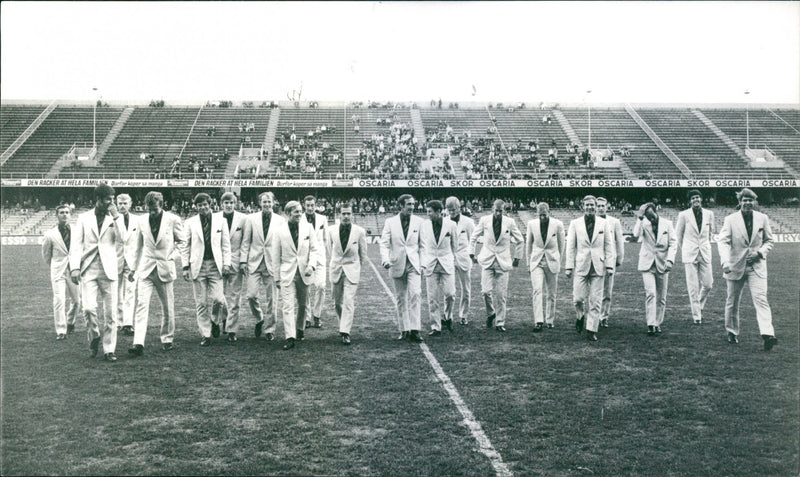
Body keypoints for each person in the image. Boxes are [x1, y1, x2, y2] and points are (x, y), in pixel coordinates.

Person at [717, 188, 777, 350]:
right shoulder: (730, 220)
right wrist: (725, 262)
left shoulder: (762, 218)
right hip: (735, 266)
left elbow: (769, 241)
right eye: (745, 200)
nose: (748, 203)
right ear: (740, 201)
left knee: (761, 299)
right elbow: (723, 242)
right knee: (732, 302)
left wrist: (760, 253)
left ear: (755, 202)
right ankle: (731, 331)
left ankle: (767, 334)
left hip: (756, 267)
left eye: (751, 200)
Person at [69, 183, 123, 361]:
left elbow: (124, 239)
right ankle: (94, 337)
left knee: (111, 314)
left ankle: (109, 349)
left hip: (109, 269)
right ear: (98, 199)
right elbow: (76, 244)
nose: (112, 202)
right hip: (88, 268)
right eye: (108, 199)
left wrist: (116, 217)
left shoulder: (116, 217)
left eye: (113, 199)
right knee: (88, 308)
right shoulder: (84, 218)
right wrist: (75, 267)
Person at [127, 191, 185, 356]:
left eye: (155, 209)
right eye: (149, 209)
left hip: (165, 269)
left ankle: (167, 339)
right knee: (141, 305)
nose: (152, 212)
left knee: (167, 307)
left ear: (162, 205)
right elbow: (138, 246)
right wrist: (133, 268)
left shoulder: (173, 220)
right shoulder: (141, 220)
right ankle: (138, 343)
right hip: (145, 269)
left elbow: (182, 242)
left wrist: (172, 256)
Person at [182, 193, 233, 346]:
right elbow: (185, 246)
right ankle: (205, 334)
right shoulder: (190, 222)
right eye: (199, 205)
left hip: (215, 265)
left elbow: (226, 245)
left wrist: (226, 264)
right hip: (198, 266)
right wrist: (185, 267)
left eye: (205, 204)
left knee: (218, 299)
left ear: (210, 204)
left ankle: (216, 320)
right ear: (195, 206)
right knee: (201, 303)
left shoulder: (220, 220)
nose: (202, 207)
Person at [565, 195, 616, 342]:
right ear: (582, 206)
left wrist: (610, 265)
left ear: (595, 206)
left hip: (598, 266)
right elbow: (571, 247)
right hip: (581, 265)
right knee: (578, 298)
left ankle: (591, 329)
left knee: (595, 300)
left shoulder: (603, 223)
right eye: (587, 205)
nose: (590, 208)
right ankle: (580, 315)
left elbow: (608, 245)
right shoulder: (575, 223)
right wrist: (569, 267)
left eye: (592, 205)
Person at [469, 199, 524, 332]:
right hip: (487, 260)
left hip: (503, 262)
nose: (498, 213)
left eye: (501, 211)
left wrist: (517, 258)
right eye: (496, 210)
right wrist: (471, 253)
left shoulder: (510, 222)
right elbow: (473, 237)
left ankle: (500, 323)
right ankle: (491, 313)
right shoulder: (484, 220)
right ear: (492, 209)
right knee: (485, 292)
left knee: (501, 295)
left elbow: (520, 240)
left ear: (504, 210)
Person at [272, 201, 321, 350]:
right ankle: (290, 337)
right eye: (296, 212)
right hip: (287, 273)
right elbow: (275, 256)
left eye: (300, 211)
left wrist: (311, 265)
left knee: (302, 304)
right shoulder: (279, 232)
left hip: (304, 273)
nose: (300, 214)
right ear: (287, 214)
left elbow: (314, 249)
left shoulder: (308, 228)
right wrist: (277, 277)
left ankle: (300, 329)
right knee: (287, 306)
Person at [240, 191, 286, 341]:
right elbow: (246, 241)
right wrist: (243, 261)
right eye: (264, 202)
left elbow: (282, 244)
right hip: (254, 262)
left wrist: (282, 262)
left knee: (272, 299)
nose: (266, 204)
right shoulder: (251, 219)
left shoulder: (280, 220)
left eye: (269, 202)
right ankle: (260, 317)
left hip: (272, 264)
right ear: (260, 203)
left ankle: (270, 329)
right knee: (251, 296)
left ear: (274, 203)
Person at [379, 194, 424, 342]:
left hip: (414, 264)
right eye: (408, 204)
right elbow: (384, 243)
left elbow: (423, 246)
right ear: (400, 206)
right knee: (400, 298)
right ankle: (404, 329)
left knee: (415, 294)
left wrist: (422, 263)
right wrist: (385, 259)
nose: (412, 207)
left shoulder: (420, 222)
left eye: (413, 204)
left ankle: (415, 329)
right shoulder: (390, 222)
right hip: (396, 264)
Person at [632, 202, 677, 336]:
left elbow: (673, 243)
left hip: (663, 264)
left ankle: (658, 322)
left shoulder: (667, 224)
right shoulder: (643, 223)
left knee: (661, 297)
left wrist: (670, 260)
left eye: (652, 215)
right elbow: (635, 235)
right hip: (647, 263)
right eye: (647, 216)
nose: (651, 219)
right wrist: (640, 219)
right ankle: (651, 324)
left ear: (656, 211)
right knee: (650, 293)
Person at [326, 205, 368, 345]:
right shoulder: (330, 230)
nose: (346, 216)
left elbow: (363, 254)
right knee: (337, 302)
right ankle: (342, 323)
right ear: (339, 215)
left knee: (349, 301)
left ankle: (345, 332)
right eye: (343, 213)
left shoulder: (359, 231)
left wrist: (356, 267)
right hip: (336, 269)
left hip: (352, 270)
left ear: (352, 215)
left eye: (348, 213)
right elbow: (328, 250)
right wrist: (336, 263)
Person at [674, 189, 715, 324]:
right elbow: (678, 236)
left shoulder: (709, 214)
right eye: (693, 198)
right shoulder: (683, 215)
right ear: (689, 201)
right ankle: (696, 316)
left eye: (697, 197)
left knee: (708, 284)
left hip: (704, 252)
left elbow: (710, 233)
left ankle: (699, 304)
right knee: (693, 286)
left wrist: (705, 245)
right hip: (689, 253)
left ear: (701, 199)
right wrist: (685, 248)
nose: (695, 200)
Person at [420, 200, 458, 336]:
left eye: (430, 211)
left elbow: (455, 245)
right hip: (430, 264)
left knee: (450, 294)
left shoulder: (451, 225)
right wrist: (423, 262)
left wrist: (452, 259)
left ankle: (448, 317)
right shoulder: (423, 225)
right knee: (432, 297)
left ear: (438, 211)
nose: (427, 214)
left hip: (446, 263)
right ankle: (436, 326)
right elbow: (422, 245)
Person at [42, 204, 81, 340]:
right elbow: (46, 254)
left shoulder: (77, 231)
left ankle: (70, 322)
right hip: (58, 271)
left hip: (74, 270)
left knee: (76, 301)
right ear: (56, 215)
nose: (64, 214)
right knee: (59, 300)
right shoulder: (50, 234)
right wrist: (55, 266)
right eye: (61, 212)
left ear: (70, 214)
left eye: (67, 212)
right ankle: (61, 330)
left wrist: (77, 266)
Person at [525, 202, 565, 331]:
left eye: (544, 214)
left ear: (549, 211)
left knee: (551, 293)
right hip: (536, 262)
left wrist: (558, 259)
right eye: (540, 214)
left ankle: (550, 319)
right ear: (537, 213)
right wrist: (528, 263)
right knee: (537, 290)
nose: (542, 216)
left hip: (552, 261)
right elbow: (528, 245)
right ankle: (538, 321)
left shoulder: (558, 224)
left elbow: (561, 245)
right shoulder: (531, 224)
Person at [215, 192, 248, 342]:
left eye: (231, 203)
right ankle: (220, 319)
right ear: (221, 204)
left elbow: (245, 242)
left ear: (236, 204)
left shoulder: (243, 219)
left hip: (236, 262)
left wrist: (243, 261)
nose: (229, 205)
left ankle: (232, 330)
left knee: (235, 298)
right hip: (218, 263)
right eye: (226, 203)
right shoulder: (215, 218)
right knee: (218, 298)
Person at [445, 197, 475, 325]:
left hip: (464, 259)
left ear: (459, 208)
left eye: (454, 209)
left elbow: (472, 241)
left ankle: (463, 315)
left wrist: (470, 255)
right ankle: (448, 316)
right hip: (449, 259)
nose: (451, 212)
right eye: (449, 210)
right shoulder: (444, 221)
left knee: (466, 290)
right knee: (449, 291)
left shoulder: (468, 222)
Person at [596, 197, 625, 328]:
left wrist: (619, 258)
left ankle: (604, 316)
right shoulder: (590, 221)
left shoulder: (614, 222)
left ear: (607, 206)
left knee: (607, 291)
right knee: (594, 290)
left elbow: (619, 241)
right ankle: (593, 315)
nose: (601, 208)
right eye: (598, 206)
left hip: (609, 260)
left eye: (603, 205)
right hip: (594, 260)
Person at [301, 196, 328, 329]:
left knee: (321, 286)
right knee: (305, 289)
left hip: (320, 258)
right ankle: (306, 317)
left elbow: (325, 239)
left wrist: (325, 255)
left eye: (312, 205)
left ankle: (317, 316)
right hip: (305, 258)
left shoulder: (323, 219)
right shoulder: (299, 219)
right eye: (308, 205)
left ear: (315, 205)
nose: (310, 208)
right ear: (304, 205)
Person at [114, 194, 139, 336]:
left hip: (132, 262)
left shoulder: (138, 220)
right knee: (116, 293)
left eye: (125, 203)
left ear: (130, 204)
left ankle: (128, 323)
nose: (122, 206)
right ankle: (118, 322)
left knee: (130, 292)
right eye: (120, 203)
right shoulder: (110, 220)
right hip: (115, 259)